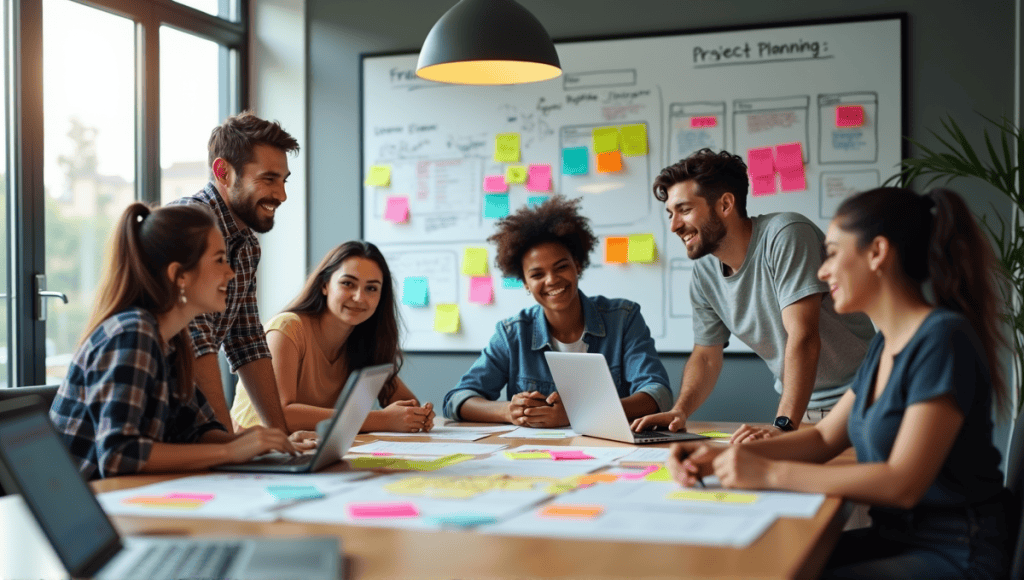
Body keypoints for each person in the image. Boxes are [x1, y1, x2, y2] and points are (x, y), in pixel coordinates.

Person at [669, 187, 1011, 579]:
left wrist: (768, 473)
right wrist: (719, 457)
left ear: (877, 252)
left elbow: (903, 482)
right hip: (897, 538)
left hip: (957, 551)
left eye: (832, 252)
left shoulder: (942, 338)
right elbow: (824, 438)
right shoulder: (885, 343)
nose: (822, 270)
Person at [632, 148, 876, 443]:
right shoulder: (704, 273)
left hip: (864, 396)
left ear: (725, 204)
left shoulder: (785, 234)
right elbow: (707, 357)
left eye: (684, 210)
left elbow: (803, 335)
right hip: (805, 410)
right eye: (670, 214)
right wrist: (679, 411)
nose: (673, 226)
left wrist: (783, 425)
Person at [49, 203, 301, 479]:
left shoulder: (172, 339)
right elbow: (119, 454)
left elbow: (198, 430)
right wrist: (230, 452)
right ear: (179, 276)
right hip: (88, 508)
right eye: (219, 260)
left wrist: (263, 444)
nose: (230, 273)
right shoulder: (132, 334)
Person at [443, 195, 673, 427]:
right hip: (535, 456)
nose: (552, 280)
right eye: (537, 274)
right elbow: (457, 400)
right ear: (524, 282)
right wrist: (508, 411)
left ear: (578, 265)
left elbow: (657, 393)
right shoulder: (512, 333)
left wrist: (580, 413)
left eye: (561, 267)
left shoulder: (623, 318)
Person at [171, 111, 300, 436]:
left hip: (192, 431)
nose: (281, 195)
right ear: (223, 172)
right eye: (268, 179)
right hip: (156, 423)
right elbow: (195, 340)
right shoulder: (186, 226)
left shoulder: (247, 245)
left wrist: (281, 438)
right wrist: (228, 440)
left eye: (284, 181)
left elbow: (247, 342)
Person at [229, 241, 435, 433]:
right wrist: (381, 419)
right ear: (325, 285)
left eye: (371, 288)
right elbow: (281, 414)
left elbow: (407, 404)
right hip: (253, 453)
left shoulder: (363, 340)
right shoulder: (287, 328)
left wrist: (418, 415)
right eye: (348, 284)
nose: (359, 297)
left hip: (307, 452)